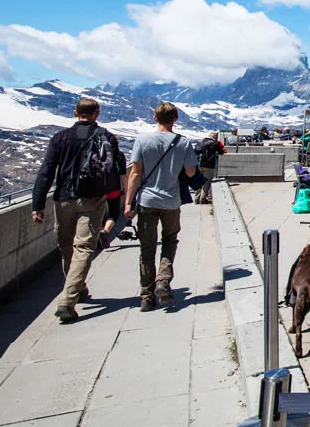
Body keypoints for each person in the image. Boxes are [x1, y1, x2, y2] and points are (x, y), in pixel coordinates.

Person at [31, 97, 122, 323]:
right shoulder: (106, 136)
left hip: (63, 199)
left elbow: (47, 171)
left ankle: (69, 297)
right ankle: (73, 295)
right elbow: (118, 166)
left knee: (66, 246)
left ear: (75, 113)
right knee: (83, 247)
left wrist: (38, 204)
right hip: (92, 199)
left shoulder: (60, 138)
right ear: (97, 113)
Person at [124, 102, 200, 311]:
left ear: (155, 118)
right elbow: (191, 172)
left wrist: (128, 202)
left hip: (146, 200)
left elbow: (135, 173)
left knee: (146, 248)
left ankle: (146, 297)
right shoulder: (183, 143)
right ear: (175, 119)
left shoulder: (142, 140)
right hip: (171, 201)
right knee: (169, 240)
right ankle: (163, 280)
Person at [193, 132, 225, 204]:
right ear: (216, 137)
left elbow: (195, 151)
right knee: (206, 183)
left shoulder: (201, 142)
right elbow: (221, 152)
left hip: (199, 164)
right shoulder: (216, 143)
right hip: (209, 165)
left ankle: (196, 198)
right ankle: (203, 199)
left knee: (198, 182)